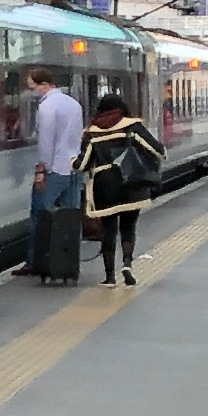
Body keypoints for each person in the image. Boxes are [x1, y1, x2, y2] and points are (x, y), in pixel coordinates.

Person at [75, 93, 165, 287]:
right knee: (128, 227)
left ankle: (109, 277)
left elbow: (82, 163)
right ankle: (127, 264)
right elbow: (157, 149)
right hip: (130, 181)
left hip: (104, 186)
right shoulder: (132, 126)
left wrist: (73, 163)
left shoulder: (93, 132)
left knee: (108, 229)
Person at [10, 67, 83, 276]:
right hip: (74, 167)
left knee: (40, 216)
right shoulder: (73, 104)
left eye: (32, 87)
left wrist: (41, 169)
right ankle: (69, 260)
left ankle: (35, 261)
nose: (31, 91)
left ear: (44, 85)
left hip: (54, 169)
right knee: (70, 215)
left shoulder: (47, 107)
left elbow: (46, 141)